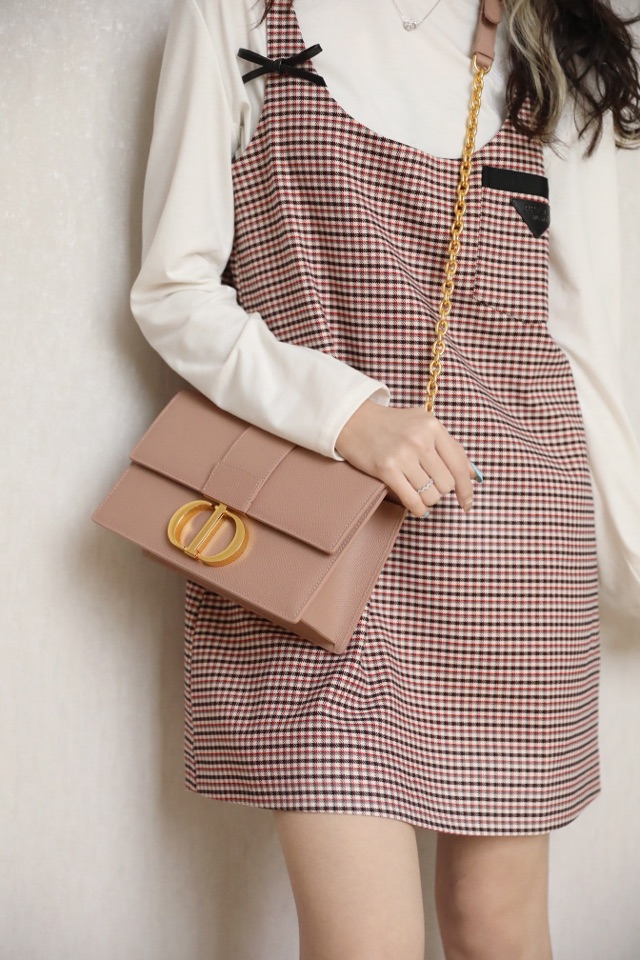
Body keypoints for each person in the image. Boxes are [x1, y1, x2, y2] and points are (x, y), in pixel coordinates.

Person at [130, 1, 640, 957]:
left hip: (514, 547)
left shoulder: (545, 35)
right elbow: (174, 292)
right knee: (366, 942)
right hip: (311, 543)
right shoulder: (241, 12)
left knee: (495, 927)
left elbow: (585, 333)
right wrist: (348, 414)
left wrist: (631, 558)